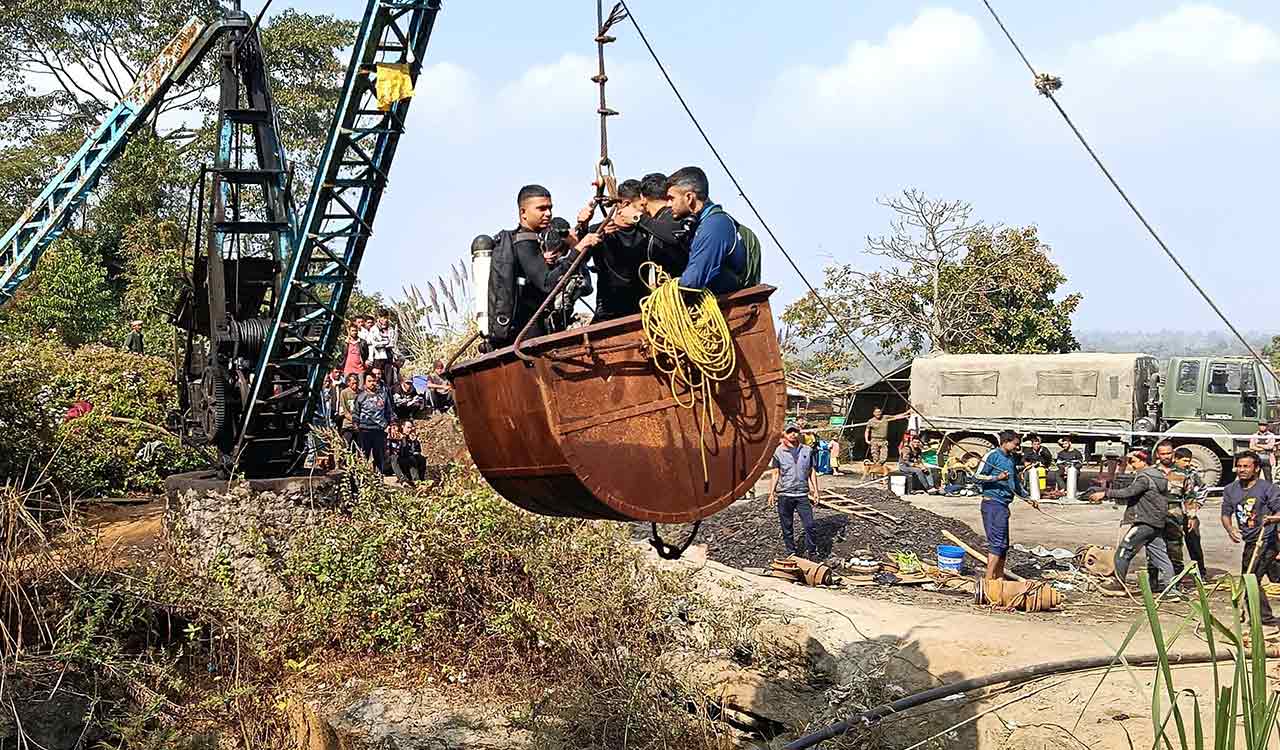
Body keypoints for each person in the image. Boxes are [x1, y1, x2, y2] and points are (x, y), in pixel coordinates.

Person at [494, 185, 600, 346]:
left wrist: (582, 230)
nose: (548, 213)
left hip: (538, 332)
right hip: (527, 335)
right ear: (523, 212)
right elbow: (547, 283)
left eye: (550, 208)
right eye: (541, 209)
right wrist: (578, 248)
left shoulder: (534, 240)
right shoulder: (524, 243)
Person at [1088, 449, 1176, 596]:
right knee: (1160, 555)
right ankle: (1172, 589)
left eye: (1133, 461)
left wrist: (1105, 493)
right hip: (1157, 521)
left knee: (1123, 551)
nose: (1131, 465)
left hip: (1144, 521)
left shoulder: (1144, 477)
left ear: (1143, 461)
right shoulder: (1159, 475)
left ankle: (1119, 585)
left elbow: (1128, 492)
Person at [666, 166, 755, 293]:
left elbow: (691, 283)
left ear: (689, 197)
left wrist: (666, 292)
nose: (668, 204)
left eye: (671, 198)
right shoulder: (702, 224)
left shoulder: (714, 226)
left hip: (729, 306)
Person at [1221, 451, 1280, 625]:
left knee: (1250, 578)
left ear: (1256, 469)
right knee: (1270, 577)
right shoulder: (1230, 489)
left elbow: (1279, 511)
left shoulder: (1268, 488)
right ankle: (1262, 616)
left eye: (1246, 466)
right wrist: (1230, 529)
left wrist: (1272, 518)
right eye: (1239, 466)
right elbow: (1225, 513)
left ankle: (1264, 618)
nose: (1242, 470)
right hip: (1250, 541)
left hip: (1267, 540)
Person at [577, 179, 649, 321]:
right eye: (642, 205)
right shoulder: (598, 231)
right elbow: (579, 260)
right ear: (626, 204)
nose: (646, 209)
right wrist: (583, 227)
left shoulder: (647, 231)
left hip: (642, 310)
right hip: (608, 312)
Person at [975, 430, 1038, 580]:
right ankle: (989, 581)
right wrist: (997, 477)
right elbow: (976, 477)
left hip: (1003, 505)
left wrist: (1027, 498)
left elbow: (1014, 483)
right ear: (1005, 442)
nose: (1017, 447)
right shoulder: (992, 456)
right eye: (1015, 444)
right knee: (996, 543)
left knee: (1004, 544)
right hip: (992, 504)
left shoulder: (1011, 459)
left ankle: (999, 577)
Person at [768, 423, 820, 559]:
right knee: (787, 526)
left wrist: (816, 491)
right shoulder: (777, 452)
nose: (793, 434)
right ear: (784, 433)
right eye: (790, 431)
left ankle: (812, 552)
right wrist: (771, 492)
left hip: (802, 494)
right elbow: (775, 473)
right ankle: (791, 552)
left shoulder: (807, 450)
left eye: (795, 431)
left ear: (799, 433)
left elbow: (811, 471)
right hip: (785, 494)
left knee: (809, 525)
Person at [1149, 440, 1186, 587]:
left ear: (1173, 453)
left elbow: (1192, 495)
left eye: (1168, 453)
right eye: (1162, 453)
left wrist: (1192, 514)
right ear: (1158, 454)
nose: (1166, 456)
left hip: (1174, 515)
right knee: (1153, 548)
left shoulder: (1183, 473)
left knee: (1175, 549)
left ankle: (1175, 584)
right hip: (1153, 515)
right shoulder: (1150, 471)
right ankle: (1153, 583)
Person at [1168, 446, 1208, 578]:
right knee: (1174, 545)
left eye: (1189, 460)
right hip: (1173, 514)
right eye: (1185, 460)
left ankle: (1200, 572)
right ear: (1176, 459)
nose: (1188, 463)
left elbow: (1202, 489)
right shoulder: (1168, 472)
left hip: (1190, 514)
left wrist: (1196, 506)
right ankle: (1175, 573)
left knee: (1194, 542)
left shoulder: (1192, 473)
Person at [352, 373, 390, 473]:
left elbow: (388, 412)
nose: (372, 383)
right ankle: (360, 479)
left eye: (374, 381)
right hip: (364, 430)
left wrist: (392, 425)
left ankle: (378, 480)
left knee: (379, 457)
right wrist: (356, 424)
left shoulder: (383, 395)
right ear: (365, 382)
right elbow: (356, 413)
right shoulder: (360, 396)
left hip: (379, 430)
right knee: (362, 456)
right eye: (370, 381)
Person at [370, 309, 399, 385]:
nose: (385, 320)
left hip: (389, 356)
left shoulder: (391, 329)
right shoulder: (374, 329)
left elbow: (393, 343)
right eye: (383, 317)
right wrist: (385, 343)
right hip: (378, 357)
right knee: (377, 377)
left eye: (386, 317)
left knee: (389, 379)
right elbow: (374, 344)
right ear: (379, 318)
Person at [338, 373, 360, 448]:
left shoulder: (361, 393)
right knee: (346, 447)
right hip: (348, 425)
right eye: (353, 383)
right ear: (348, 383)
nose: (355, 385)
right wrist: (354, 421)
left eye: (357, 383)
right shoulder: (344, 393)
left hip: (360, 426)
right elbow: (345, 411)